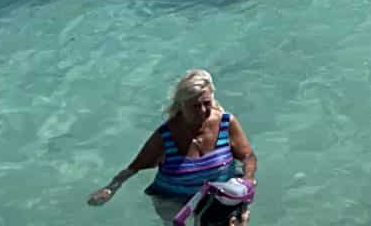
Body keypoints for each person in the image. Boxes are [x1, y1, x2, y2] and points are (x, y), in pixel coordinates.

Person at [88, 69, 256, 224]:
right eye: (195, 106)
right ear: (181, 105)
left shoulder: (226, 123)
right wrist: (110, 189)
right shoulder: (166, 136)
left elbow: (248, 157)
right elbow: (134, 168)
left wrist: (247, 180)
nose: (203, 110)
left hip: (220, 194)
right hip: (173, 199)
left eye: (207, 103)